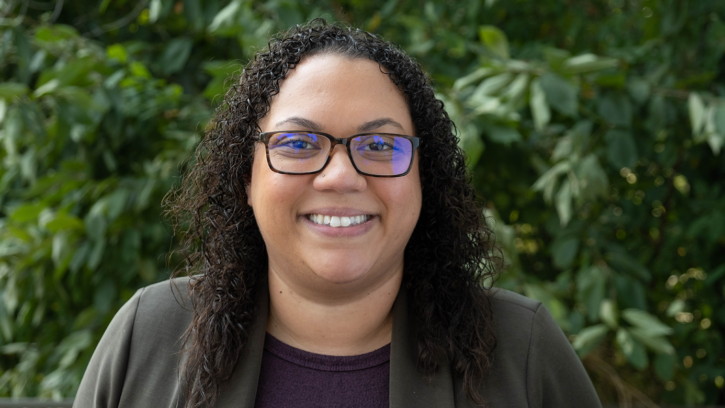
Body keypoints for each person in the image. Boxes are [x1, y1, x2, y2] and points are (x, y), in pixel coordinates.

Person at [73, 20, 602, 408]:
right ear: (246, 180)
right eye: (299, 142)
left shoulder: (520, 350)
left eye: (379, 144)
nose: (341, 176)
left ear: (425, 178)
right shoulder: (150, 333)